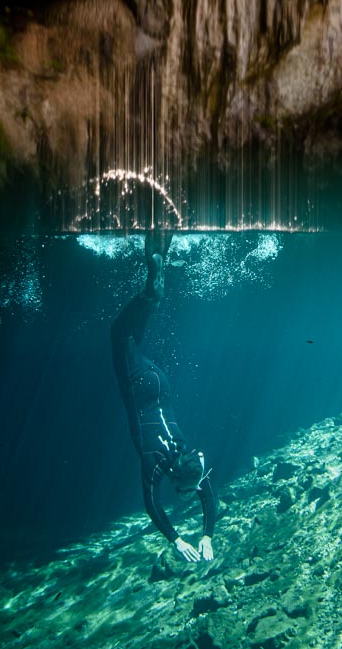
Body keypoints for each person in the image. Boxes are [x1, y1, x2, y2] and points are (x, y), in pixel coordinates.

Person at [110, 231, 216, 561]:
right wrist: (177, 540)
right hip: (141, 388)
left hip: (160, 385)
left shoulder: (189, 457)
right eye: (187, 491)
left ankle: (152, 291)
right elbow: (151, 503)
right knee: (118, 334)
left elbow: (205, 491)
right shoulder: (156, 464)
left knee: (130, 339)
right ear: (177, 481)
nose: (192, 493)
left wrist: (207, 536)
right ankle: (149, 292)